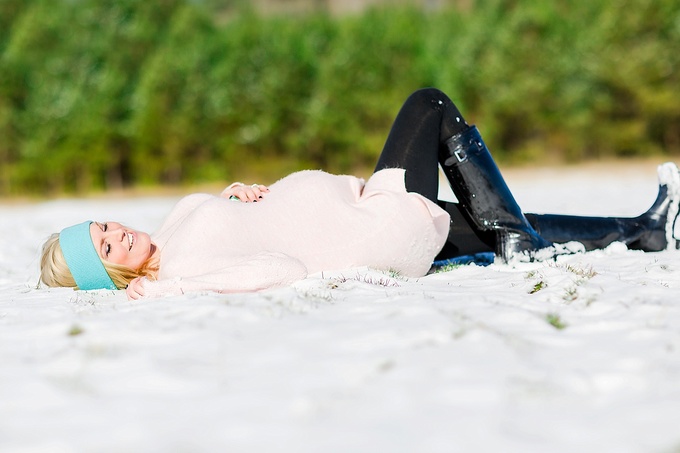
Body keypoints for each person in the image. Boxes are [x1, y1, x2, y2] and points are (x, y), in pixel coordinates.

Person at [40, 88, 680, 300]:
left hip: (364, 208)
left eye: (102, 227)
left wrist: (231, 196)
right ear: (112, 278)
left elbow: (243, 226)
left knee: (498, 219)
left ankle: (645, 231)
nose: (114, 234)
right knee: (428, 105)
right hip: (376, 232)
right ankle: (518, 244)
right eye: (105, 250)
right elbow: (277, 268)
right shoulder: (177, 273)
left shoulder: (172, 228)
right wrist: (176, 286)